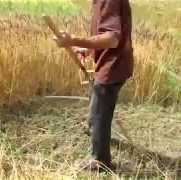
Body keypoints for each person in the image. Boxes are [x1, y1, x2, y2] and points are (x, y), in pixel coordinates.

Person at [53, 0, 134, 171]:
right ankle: (97, 134)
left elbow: (111, 39)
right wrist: (89, 50)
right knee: (98, 110)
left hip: (113, 65)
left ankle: (100, 161)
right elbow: (106, 37)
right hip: (115, 63)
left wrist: (74, 40)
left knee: (99, 113)